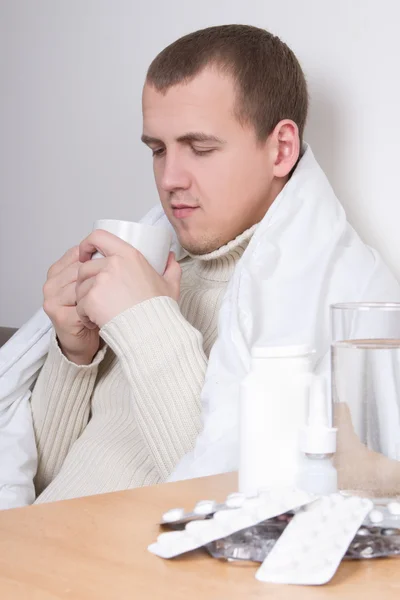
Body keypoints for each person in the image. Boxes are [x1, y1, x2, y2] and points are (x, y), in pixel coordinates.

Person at [28, 24, 399, 503]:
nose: (170, 179)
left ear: (281, 149)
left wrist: (148, 326)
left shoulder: (343, 298)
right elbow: (48, 482)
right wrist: (74, 355)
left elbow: (236, 501)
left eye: (200, 148)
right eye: (158, 150)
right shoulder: (147, 268)